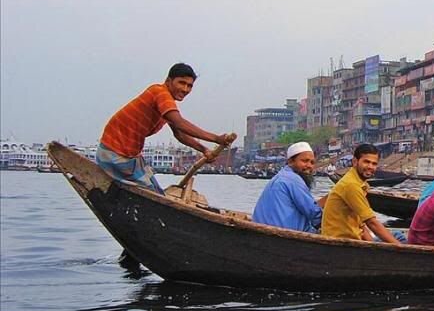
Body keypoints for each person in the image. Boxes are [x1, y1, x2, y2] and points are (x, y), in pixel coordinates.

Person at [96, 63, 233, 193]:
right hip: (114, 153)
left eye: (189, 86)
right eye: (181, 83)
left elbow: (179, 134)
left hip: (130, 157)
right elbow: (179, 123)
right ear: (169, 81)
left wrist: (204, 150)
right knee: (152, 196)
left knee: (158, 192)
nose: (185, 89)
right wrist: (216, 138)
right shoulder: (160, 93)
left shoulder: (166, 103)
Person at [321, 144, 401, 244]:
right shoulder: (351, 185)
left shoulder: (360, 184)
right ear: (355, 161)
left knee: (397, 235)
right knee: (399, 238)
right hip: (341, 243)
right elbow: (371, 223)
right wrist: (400, 247)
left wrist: (372, 246)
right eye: (366, 162)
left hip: (353, 238)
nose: (370, 167)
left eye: (374, 164)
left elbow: (362, 225)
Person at [252, 142, 323, 233]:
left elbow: (310, 207)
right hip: (286, 233)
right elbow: (314, 213)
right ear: (290, 162)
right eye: (304, 161)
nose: (309, 166)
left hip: (266, 231)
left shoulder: (282, 176)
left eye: (312, 162)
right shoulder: (292, 179)